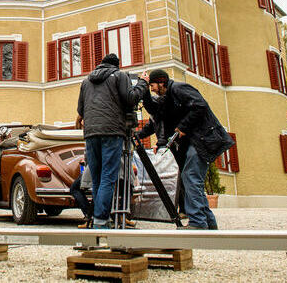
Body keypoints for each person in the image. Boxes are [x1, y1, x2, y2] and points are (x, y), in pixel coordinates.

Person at [141, 69, 234, 230]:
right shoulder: (166, 98)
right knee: (191, 179)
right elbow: (155, 111)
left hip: (202, 139)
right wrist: (143, 89)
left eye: (153, 85)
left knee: (191, 177)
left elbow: (200, 106)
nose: (152, 89)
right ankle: (208, 222)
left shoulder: (179, 89)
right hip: (195, 142)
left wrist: (182, 127)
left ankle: (198, 222)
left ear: (162, 82)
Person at [77, 53, 149, 229]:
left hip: (91, 133)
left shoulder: (86, 81)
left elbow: (81, 109)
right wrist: (143, 82)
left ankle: (97, 219)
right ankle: (101, 221)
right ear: (116, 65)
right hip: (112, 131)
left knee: (97, 179)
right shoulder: (119, 75)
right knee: (108, 177)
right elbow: (131, 99)